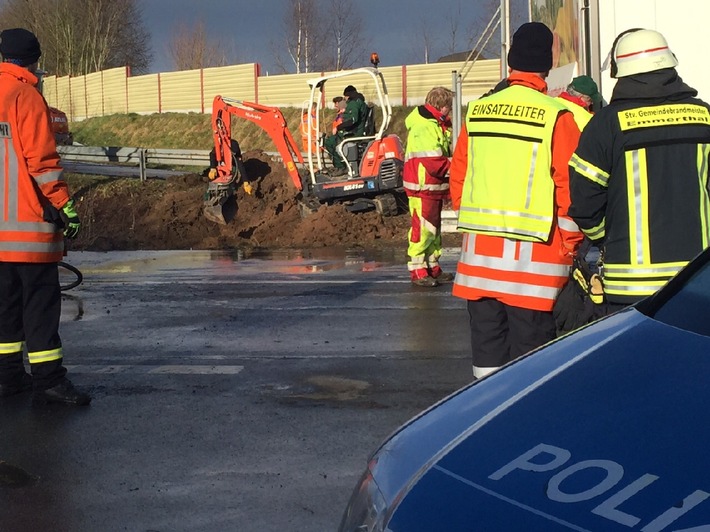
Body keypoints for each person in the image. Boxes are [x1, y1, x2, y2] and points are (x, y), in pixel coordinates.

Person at [449, 22, 583, 379]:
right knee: (529, 379)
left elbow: (459, 184)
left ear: (511, 61)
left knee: (486, 374)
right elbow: (571, 196)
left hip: (479, 271)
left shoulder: (478, 112)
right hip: (535, 275)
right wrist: (569, 250)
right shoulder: (557, 117)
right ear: (548, 64)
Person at [569, 28, 710, 312]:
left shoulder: (606, 125)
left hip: (630, 287)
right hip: (699, 281)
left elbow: (585, 203)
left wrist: (608, 236)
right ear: (670, 64)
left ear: (621, 71)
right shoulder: (704, 115)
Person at [0, 28, 90, 405]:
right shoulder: (26, 96)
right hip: (29, 229)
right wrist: (65, 206)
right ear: (33, 62)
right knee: (39, 307)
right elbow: (43, 162)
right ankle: (49, 380)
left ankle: (7, 378)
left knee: (5, 308)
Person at [403, 86, 454, 287]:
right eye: (448, 106)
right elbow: (434, 161)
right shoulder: (426, 127)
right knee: (423, 229)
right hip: (423, 185)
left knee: (432, 229)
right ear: (441, 107)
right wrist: (457, 166)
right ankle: (418, 269)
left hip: (430, 185)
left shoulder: (434, 124)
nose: (450, 110)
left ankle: (432, 265)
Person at [323, 85, 367, 175]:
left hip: (354, 132)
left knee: (330, 142)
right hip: (357, 130)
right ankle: (342, 165)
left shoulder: (354, 103)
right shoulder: (360, 102)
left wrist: (338, 127)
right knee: (332, 140)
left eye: (345, 97)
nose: (345, 99)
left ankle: (341, 167)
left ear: (348, 95)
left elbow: (353, 120)